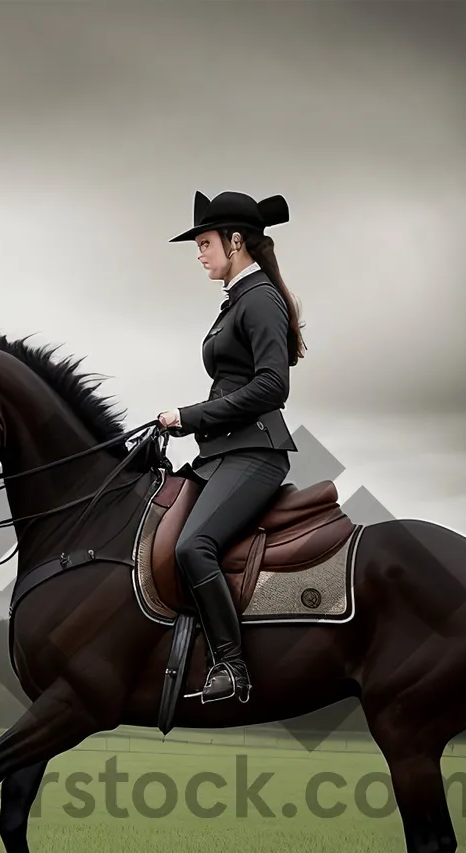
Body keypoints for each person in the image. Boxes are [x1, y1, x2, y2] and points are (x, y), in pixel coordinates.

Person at [158, 190, 306, 704]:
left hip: (256, 455)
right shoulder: (238, 301)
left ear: (235, 241)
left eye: (204, 242)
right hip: (223, 452)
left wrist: (190, 415)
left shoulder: (260, 298)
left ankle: (231, 664)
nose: (199, 253)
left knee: (191, 547)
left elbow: (271, 386)